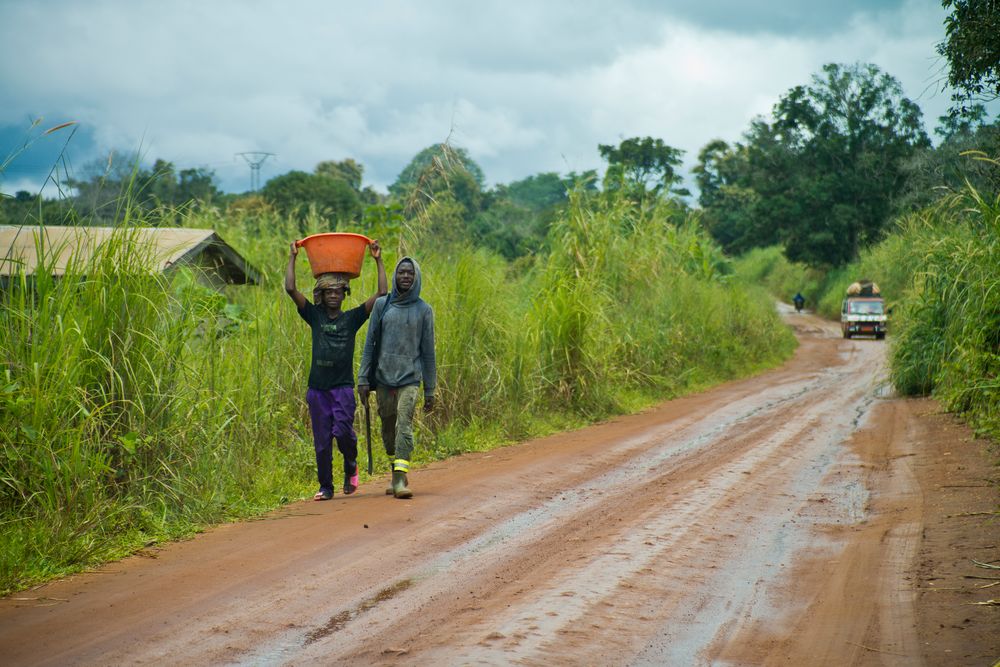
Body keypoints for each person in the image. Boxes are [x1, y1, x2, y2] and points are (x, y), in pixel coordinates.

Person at [286, 240, 387, 501]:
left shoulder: (352, 318)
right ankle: (326, 486)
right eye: (328, 292)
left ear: (344, 295)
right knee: (321, 443)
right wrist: (293, 257)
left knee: (342, 432)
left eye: (338, 292)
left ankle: (350, 462)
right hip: (317, 389)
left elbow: (382, 293)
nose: (333, 295)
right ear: (322, 295)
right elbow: (290, 288)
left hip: (342, 388)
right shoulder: (314, 315)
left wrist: (377, 259)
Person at [357, 257, 436, 499]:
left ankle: (400, 479)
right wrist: (362, 378)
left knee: (404, 424)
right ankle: (396, 466)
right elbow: (370, 344)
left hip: (410, 379)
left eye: (410, 273)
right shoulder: (383, 305)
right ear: (396, 275)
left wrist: (430, 390)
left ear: (416, 277)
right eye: (401, 272)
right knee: (388, 432)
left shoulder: (424, 310)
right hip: (383, 378)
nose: (405, 276)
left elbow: (428, 352)